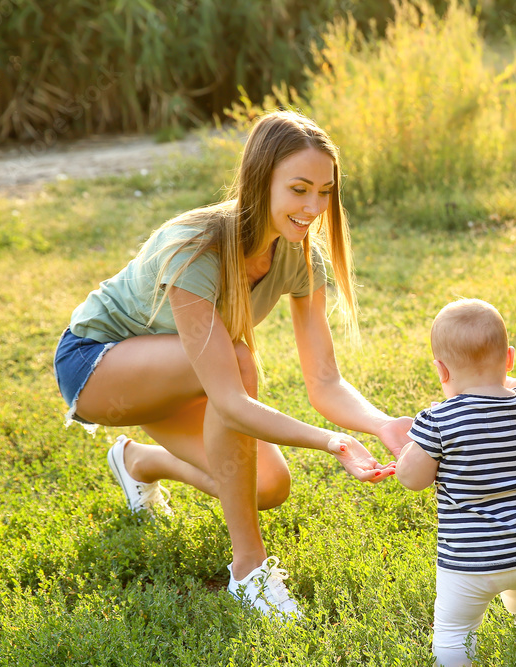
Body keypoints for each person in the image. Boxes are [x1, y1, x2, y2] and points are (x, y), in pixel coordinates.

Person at [53, 110, 413, 621]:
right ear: (259, 180)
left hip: (182, 372)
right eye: (299, 189)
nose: (314, 207)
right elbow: (230, 400)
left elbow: (325, 380)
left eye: (325, 191)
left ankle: (139, 462)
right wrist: (333, 441)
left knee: (267, 487)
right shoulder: (196, 248)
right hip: (97, 366)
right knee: (241, 363)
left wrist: (381, 425)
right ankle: (249, 570)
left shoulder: (297, 256)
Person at [395, 298, 516, 666]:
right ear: (510, 359)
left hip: (470, 560)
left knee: (455, 632)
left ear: (441, 370)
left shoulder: (438, 421)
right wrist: (506, 379)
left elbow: (412, 479)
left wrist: (406, 453)